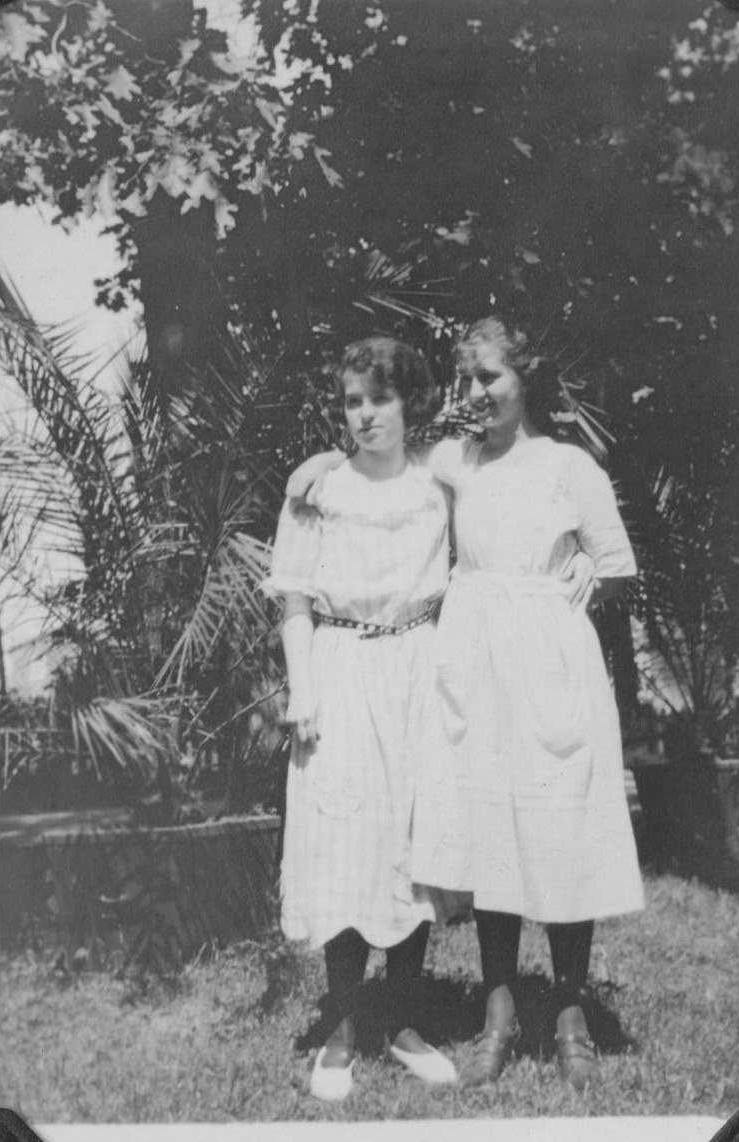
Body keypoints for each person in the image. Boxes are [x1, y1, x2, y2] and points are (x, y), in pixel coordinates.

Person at [288, 316, 643, 1091]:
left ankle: (572, 1011)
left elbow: (617, 565)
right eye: (468, 380)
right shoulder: (454, 460)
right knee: (491, 837)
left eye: (491, 377)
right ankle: (498, 1012)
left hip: (550, 662)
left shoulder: (569, 464)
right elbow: (377, 461)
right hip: (472, 665)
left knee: (557, 828)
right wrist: (318, 459)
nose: (478, 394)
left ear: (525, 378)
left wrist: (584, 564)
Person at [263, 336, 459, 1102]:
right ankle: (343, 1028)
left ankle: (405, 1023)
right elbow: (295, 604)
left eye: (380, 399)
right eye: (352, 401)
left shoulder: (440, 487)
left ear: (410, 403)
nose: (366, 415)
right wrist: (303, 690)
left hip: (419, 668)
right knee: (342, 841)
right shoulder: (318, 491)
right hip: (341, 671)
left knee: (413, 839)